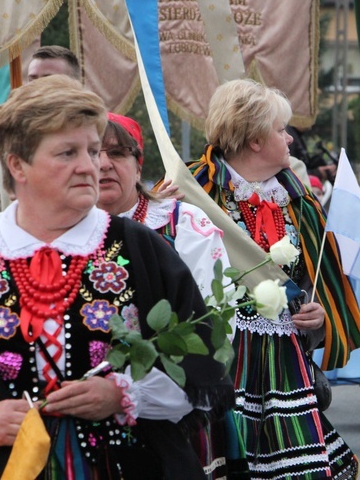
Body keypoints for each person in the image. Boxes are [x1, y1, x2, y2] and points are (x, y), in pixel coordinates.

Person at [0, 75, 235, 479]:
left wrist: (123, 393)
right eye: (68, 152)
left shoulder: (138, 247)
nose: (91, 166)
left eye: (94, 149)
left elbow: (200, 360)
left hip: (129, 465)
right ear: (17, 164)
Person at [188, 78, 360, 479]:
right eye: (280, 130)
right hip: (226, 355)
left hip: (286, 358)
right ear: (254, 140)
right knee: (232, 462)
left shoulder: (298, 197)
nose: (289, 139)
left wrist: (317, 316)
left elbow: (316, 280)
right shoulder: (193, 193)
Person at [96, 113, 243, 478]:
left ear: (138, 162)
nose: (103, 164)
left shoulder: (182, 224)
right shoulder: (61, 230)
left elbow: (216, 316)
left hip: (172, 407)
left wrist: (140, 390)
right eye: (89, 152)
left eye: (118, 153)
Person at [0, 46, 82, 225]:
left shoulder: (99, 148)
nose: (37, 87)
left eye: (48, 79)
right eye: (32, 79)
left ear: (75, 87)